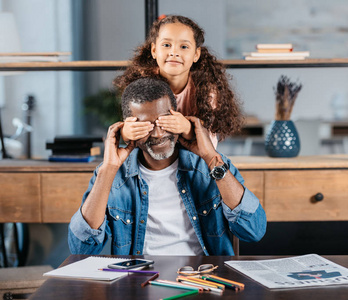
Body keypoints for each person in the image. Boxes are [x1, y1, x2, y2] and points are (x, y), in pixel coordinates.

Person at [68, 78, 266, 256]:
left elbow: (254, 230)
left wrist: (210, 156)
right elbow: (80, 249)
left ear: (177, 117)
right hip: (138, 281)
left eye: (164, 121)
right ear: (128, 127)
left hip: (204, 280)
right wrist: (109, 168)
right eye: (145, 126)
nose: (157, 133)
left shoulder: (209, 165)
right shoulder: (113, 175)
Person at [113, 15, 243, 148]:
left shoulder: (206, 90)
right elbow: (129, 131)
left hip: (196, 159)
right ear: (154, 50)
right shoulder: (140, 85)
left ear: (196, 55)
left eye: (184, 47)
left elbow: (208, 139)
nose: (174, 52)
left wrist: (187, 129)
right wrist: (126, 133)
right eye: (166, 45)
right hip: (156, 160)